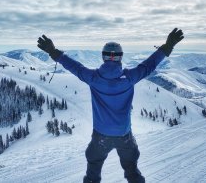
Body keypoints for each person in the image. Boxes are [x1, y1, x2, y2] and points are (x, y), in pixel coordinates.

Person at [37, 28, 184, 183]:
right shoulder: (130, 77)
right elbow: (149, 65)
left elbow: (74, 66)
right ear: (120, 57)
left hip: (101, 135)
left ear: (103, 57)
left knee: (93, 171)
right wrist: (167, 46)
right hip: (124, 134)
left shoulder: (93, 77)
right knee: (132, 171)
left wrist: (53, 51)